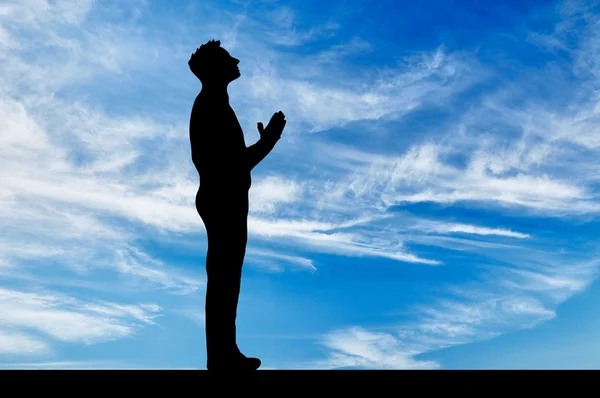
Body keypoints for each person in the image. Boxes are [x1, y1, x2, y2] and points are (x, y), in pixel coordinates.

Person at [188, 39, 286, 371]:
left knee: (226, 277)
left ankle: (224, 352)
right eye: (229, 58)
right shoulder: (211, 105)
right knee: (224, 278)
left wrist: (264, 142)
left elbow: (235, 163)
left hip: (224, 197)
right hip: (222, 199)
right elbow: (233, 165)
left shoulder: (215, 104)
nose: (237, 60)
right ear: (216, 68)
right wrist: (269, 141)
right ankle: (221, 355)